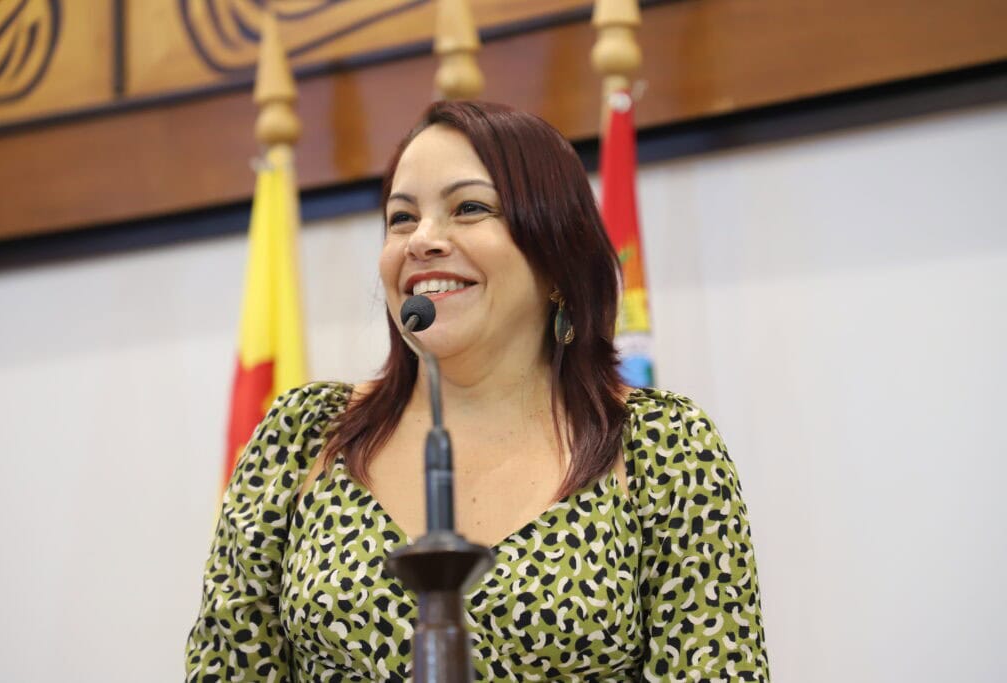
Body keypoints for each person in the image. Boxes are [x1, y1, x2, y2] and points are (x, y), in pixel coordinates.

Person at [185, 100, 769, 681]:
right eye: (401, 217)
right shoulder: (304, 434)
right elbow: (227, 666)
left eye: (469, 208)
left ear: (556, 254)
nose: (422, 240)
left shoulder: (662, 446)